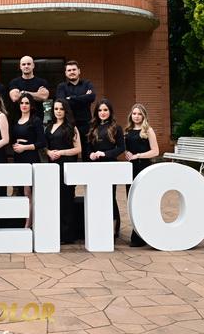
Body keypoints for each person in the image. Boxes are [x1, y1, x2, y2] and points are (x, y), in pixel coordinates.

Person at [87, 98, 126, 239]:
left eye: (105, 110)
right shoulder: (93, 128)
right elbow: (88, 148)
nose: (102, 113)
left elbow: (121, 148)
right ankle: (100, 226)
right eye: (100, 110)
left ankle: (114, 229)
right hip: (95, 167)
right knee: (98, 197)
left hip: (110, 166)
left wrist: (105, 154)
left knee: (110, 197)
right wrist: (90, 154)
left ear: (110, 111)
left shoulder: (116, 128)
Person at [44, 99, 81, 243]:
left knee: (66, 200)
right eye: (56, 109)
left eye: (61, 109)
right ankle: (56, 232)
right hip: (52, 167)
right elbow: (45, 146)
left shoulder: (72, 127)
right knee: (54, 200)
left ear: (66, 111)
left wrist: (61, 152)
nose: (58, 111)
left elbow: (78, 149)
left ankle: (67, 235)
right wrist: (48, 152)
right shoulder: (49, 126)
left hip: (66, 166)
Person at [124, 103, 160, 247]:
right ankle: (137, 233)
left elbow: (155, 151)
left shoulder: (148, 130)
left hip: (144, 168)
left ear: (144, 116)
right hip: (130, 169)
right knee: (132, 201)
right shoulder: (127, 131)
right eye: (134, 113)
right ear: (131, 115)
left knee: (143, 201)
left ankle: (142, 236)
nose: (136, 116)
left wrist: (138, 155)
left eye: (139, 114)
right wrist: (126, 152)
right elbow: (125, 148)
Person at [11, 93, 46, 228]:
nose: (24, 105)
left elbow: (42, 142)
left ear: (31, 106)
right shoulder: (16, 120)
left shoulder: (36, 121)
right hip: (18, 158)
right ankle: (23, 221)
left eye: (27, 103)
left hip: (30, 158)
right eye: (22, 103)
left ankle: (29, 224)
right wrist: (16, 145)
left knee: (28, 192)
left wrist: (24, 147)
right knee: (21, 191)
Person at [55, 60, 95, 161]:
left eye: (74, 69)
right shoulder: (62, 86)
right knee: (70, 153)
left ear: (79, 71)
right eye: (69, 70)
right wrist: (83, 97)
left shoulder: (87, 84)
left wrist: (71, 98)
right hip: (68, 125)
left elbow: (92, 97)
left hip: (85, 124)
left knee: (87, 152)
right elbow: (62, 102)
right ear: (65, 73)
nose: (72, 72)